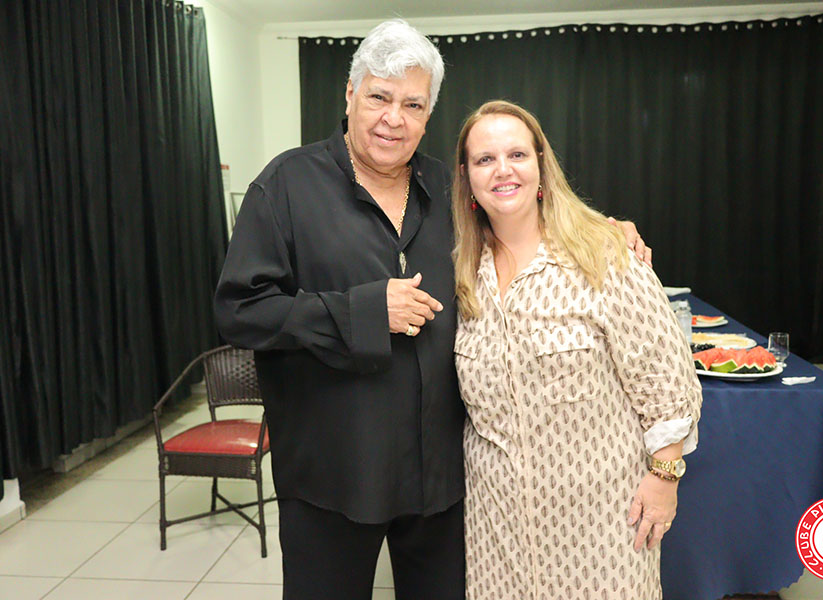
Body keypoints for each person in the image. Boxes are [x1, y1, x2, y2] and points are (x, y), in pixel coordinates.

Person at [215, 20, 650, 600]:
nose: (393, 118)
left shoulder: (451, 190)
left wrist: (605, 231)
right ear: (349, 95)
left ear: (428, 114)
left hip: (440, 482)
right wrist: (362, 312)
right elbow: (240, 311)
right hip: (334, 478)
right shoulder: (285, 186)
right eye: (379, 98)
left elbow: (525, 225)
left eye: (412, 105)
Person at [451, 100, 702, 600]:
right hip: (497, 530)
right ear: (466, 177)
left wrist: (665, 478)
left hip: (602, 525)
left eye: (517, 155)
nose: (503, 170)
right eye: (485, 159)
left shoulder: (602, 254)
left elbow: (666, 380)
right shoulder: (461, 273)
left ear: (541, 164)